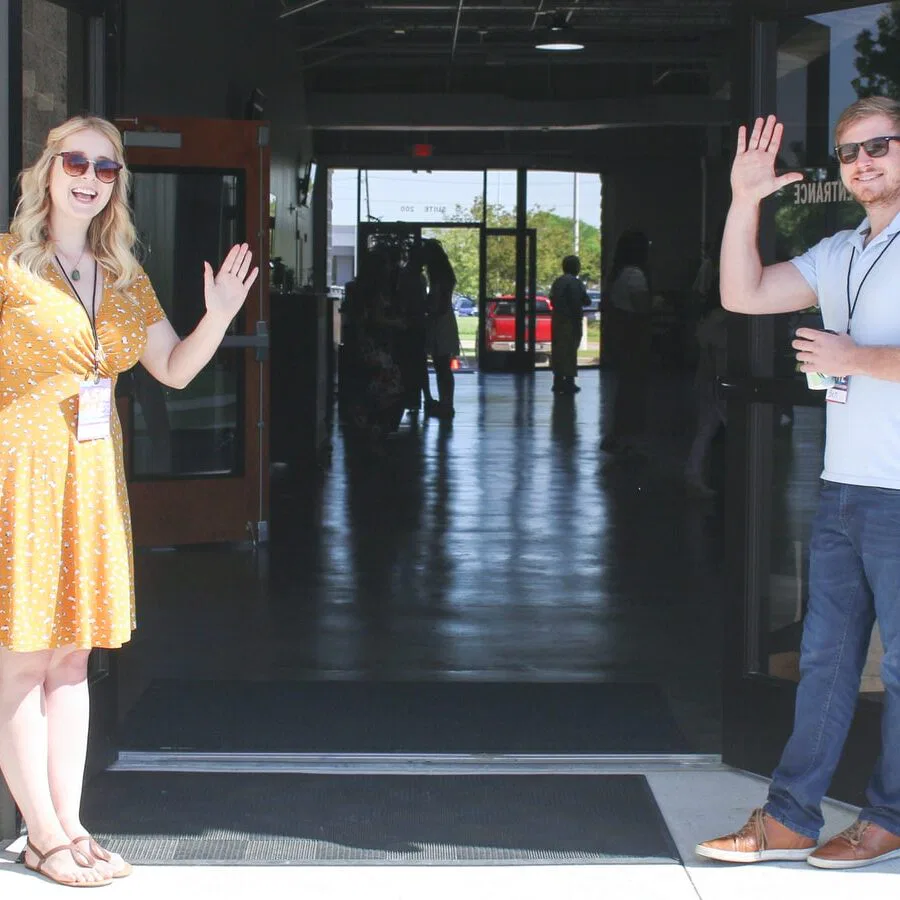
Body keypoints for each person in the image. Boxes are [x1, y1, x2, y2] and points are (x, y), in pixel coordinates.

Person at [0, 116, 257, 886]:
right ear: (48, 171)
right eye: (75, 160)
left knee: (73, 659)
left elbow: (175, 370)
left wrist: (217, 315)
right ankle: (40, 836)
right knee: (21, 659)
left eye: (105, 167)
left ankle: (70, 824)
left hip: (90, 478)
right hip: (19, 476)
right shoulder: (9, 268)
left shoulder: (124, 277)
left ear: (117, 184)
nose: (88, 175)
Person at [696, 97, 900, 869]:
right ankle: (789, 817)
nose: (863, 162)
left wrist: (856, 359)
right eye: (850, 153)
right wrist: (745, 201)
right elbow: (742, 293)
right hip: (842, 489)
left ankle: (887, 818)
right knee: (824, 661)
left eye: (879, 146)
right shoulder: (842, 250)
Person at [600, 230, 652, 456]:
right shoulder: (635, 275)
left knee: (624, 389)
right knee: (634, 389)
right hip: (634, 337)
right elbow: (642, 307)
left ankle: (618, 434)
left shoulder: (618, 275)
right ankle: (630, 437)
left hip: (622, 336)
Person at [422, 238, 460, 419]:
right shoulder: (445, 277)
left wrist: (429, 309)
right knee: (442, 367)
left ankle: (446, 403)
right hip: (444, 322)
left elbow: (440, 304)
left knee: (442, 366)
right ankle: (446, 402)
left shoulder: (440, 280)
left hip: (440, 324)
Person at [549, 254, 590, 395]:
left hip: (558, 320)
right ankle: (569, 381)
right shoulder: (576, 283)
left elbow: (552, 299)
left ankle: (557, 380)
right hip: (571, 321)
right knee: (570, 351)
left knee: (559, 350)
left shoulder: (558, 281)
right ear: (575, 267)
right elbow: (584, 300)